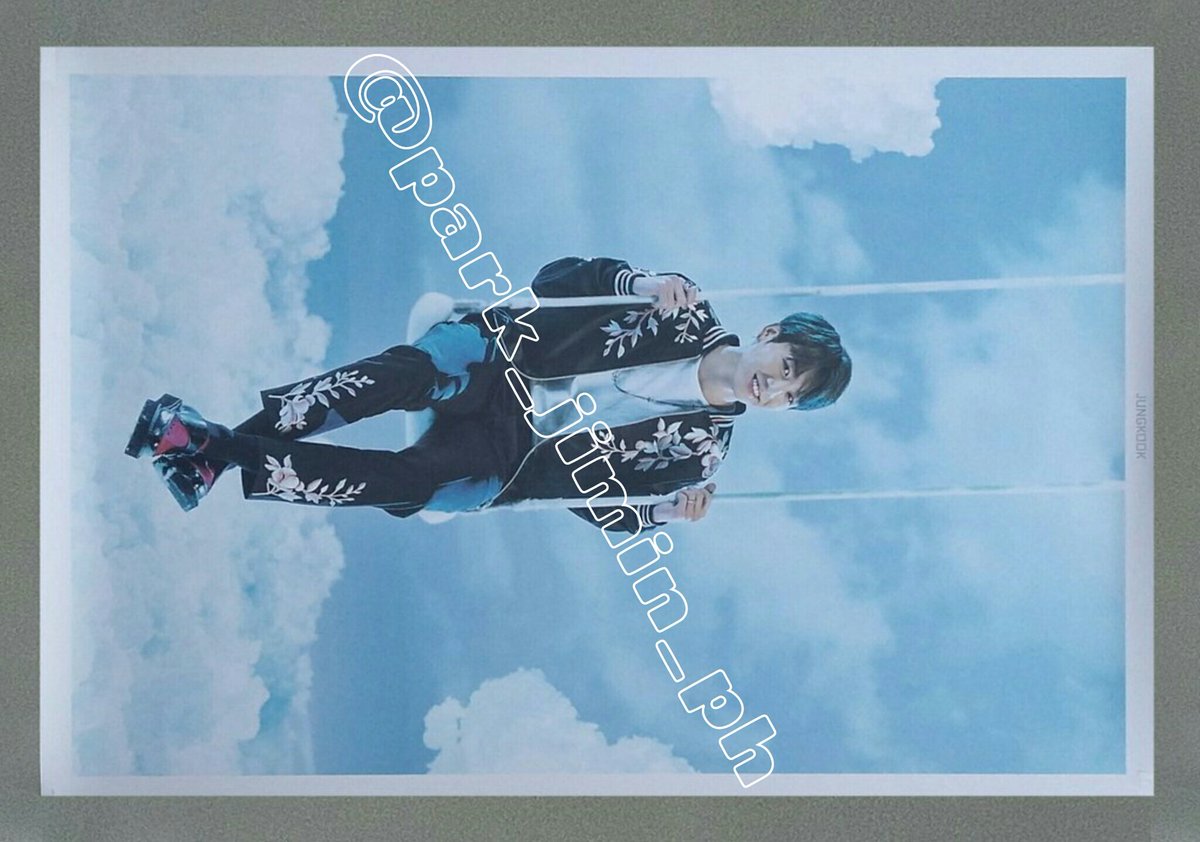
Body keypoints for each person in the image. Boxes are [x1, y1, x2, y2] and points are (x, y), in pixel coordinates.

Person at [125, 257, 852, 533]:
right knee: (411, 374)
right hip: (502, 357)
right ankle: (209, 448)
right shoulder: (680, 307)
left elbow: (596, 504)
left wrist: (659, 512)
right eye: (787, 364)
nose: (775, 386)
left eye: (792, 396)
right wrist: (636, 284)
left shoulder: (703, 454)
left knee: (414, 487)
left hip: (513, 455)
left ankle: (210, 449)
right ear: (770, 334)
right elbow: (560, 279)